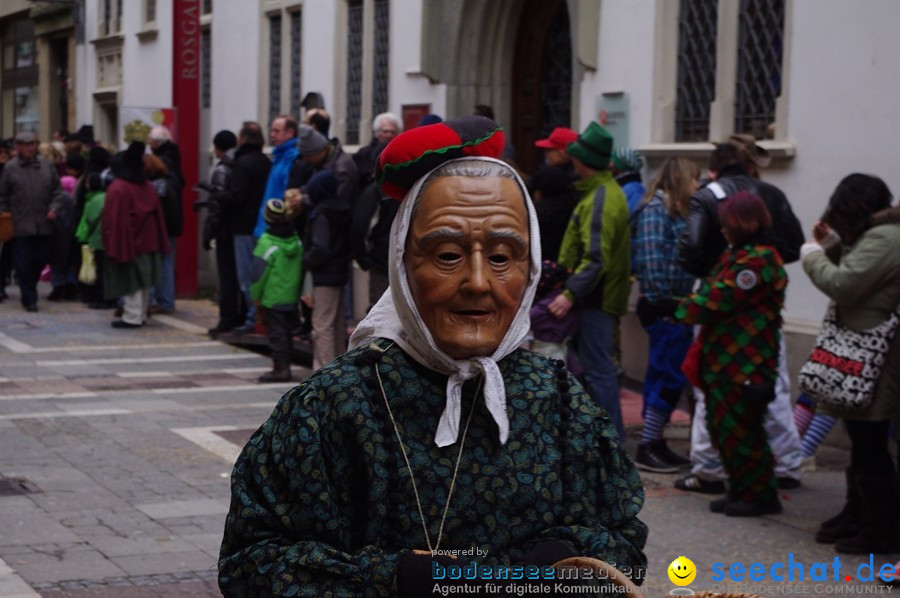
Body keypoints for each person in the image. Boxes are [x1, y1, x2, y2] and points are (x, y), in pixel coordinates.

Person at [218, 116, 648, 596]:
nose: (479, 282)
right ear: (402, 265)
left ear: (531, 270)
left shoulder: (561, 402)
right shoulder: (330, 409)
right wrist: (405, 580)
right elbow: (252, 564)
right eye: (447, 255)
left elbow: (621, 540)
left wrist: (546, 570)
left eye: (504, 256)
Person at [675, 140, 803, 493]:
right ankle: (786, 462)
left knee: (713, 388)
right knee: (770, 387)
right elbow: (793, 244)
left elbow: (691, 250)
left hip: (726, 310)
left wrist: (712, 281)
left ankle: (711, 468)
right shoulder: (771, 193)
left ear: (714, 168)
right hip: (760, 316)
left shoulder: (709, 195)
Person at [800, 173, 900, 553]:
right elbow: (859, 275)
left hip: (872, 355)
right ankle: (859, 515)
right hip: (863, 352)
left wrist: (812, 255)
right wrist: (835, 247)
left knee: (870, 445)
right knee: (863, 442)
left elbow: (846, 285)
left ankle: (879, 529)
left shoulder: (886, 238)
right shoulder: (880, 236)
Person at [674, 191, 787, 517]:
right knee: (724, 428)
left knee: (744, 431)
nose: (721, 230)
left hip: (746, 362)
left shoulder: (759, 260)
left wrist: (677, 309)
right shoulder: (737, 255)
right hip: (723, 360)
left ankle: (759, 494)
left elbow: (718, 299)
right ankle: (740, 488)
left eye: (726, 224)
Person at [549, 121, 631, 441]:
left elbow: (597, 258)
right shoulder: (603, 192)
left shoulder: (600, 197)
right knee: (594, 370)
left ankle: (612, 445)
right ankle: (602, 442)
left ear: (582, 162)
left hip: (594, 299)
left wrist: (569, 294)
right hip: (595, 296)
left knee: (598, 372)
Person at [630, 157, 699, 473]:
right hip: (665, 309)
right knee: (666, 376)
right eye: (694, 180)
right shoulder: (656, 212)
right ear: (682, 181)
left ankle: (656, 441)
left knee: (669, 375)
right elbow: (652, 261)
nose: (698, 186)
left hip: (678, 306)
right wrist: (668, 305)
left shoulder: (676, 211)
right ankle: (647, 445)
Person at [101, 142, 170, 328]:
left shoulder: (119, 187)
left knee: (131, 279)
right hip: (149, 239)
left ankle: (132, 316)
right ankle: (140, 314)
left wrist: (111, 240)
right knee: (144, 281)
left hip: (130, 239)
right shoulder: (145, 186)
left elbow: (113, 218)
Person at [0, 132, 66, 312]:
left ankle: (30, 286)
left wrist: (54, 208)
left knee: (40, 259)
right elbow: (3, 195)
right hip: (19, 224)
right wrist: (5, 215)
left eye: (32, 144)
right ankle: (29, 298)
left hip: (44, 224)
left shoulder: (46, 166)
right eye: (25, 144)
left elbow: (57, 192)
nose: (29, 148)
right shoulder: (10, 168)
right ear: (18, 147)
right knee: (22, 263)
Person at [301, 170, 351, 370]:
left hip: (324, 274)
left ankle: (324, 373)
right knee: (338, 325)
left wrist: (305, 262)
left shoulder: (321, 214)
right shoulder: (343, 210)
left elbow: (320, 247)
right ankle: (341, 370)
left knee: (322, 325)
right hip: (340, 271)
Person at [250, 199, 303, 382]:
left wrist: (255, 297)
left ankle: (281, 368)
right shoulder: (296, 240)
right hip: (291, 295)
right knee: (286, 332)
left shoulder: (266, 242)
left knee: (277, 334)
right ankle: (284, 365)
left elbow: (257, 275)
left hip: (272, 296)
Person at [199, 130, 241, 336]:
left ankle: (227, 319)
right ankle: (237, 316)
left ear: (217, 148)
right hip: (240, 229)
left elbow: (217, 206)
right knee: (239, 277)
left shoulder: (223, 168)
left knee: (227, 277)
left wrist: (208, 233)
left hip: (225, 231)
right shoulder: (240, 164)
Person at [350, 141, 397, 309]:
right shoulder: (413, 187)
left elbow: (359, 226)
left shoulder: (376, 191)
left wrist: (363, 258)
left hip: (381, 261)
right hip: (407, 260)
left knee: (380, 313)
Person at [147, 126, 184, 314]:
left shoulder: (162, 165)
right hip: (173, 219)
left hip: (163, 221)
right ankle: (165, 300)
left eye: (150, 141)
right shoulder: (174, 158)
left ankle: (163, 300)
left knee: (160, 260)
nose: (148, 144)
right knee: (167, 260)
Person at [252, 115, 299, 239]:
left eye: (276, 131)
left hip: (274, 228)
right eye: (271, 130)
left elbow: (286, 192)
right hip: (267, 224)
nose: (272, 135)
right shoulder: (278, 157)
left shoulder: (292, 158)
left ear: (290, 133)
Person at [354, 112, 401, 189]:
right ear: (377, 133)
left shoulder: (401, 154)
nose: (389, 135)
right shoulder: (364, 154)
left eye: (393, 132)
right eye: (385, 131)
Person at [610, 147, 646, 214]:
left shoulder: (635, 191)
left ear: (620, 165)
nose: (609, 164)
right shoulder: (623, 187)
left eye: (613, 160)